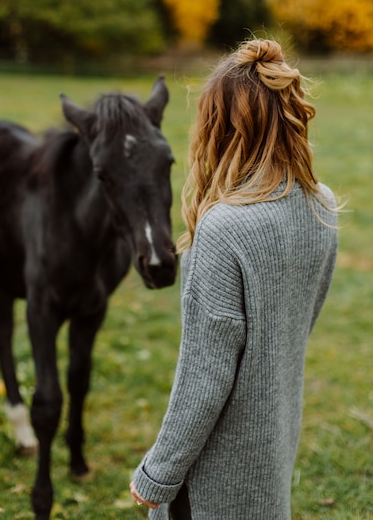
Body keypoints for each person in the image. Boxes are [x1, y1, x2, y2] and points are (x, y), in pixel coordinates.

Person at [129, 38, 339, 519]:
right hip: (274, 445)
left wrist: (157, 472)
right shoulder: (321, 205)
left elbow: (205, 376)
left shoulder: (225, 229)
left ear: (222, 128)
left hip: (214, 478)